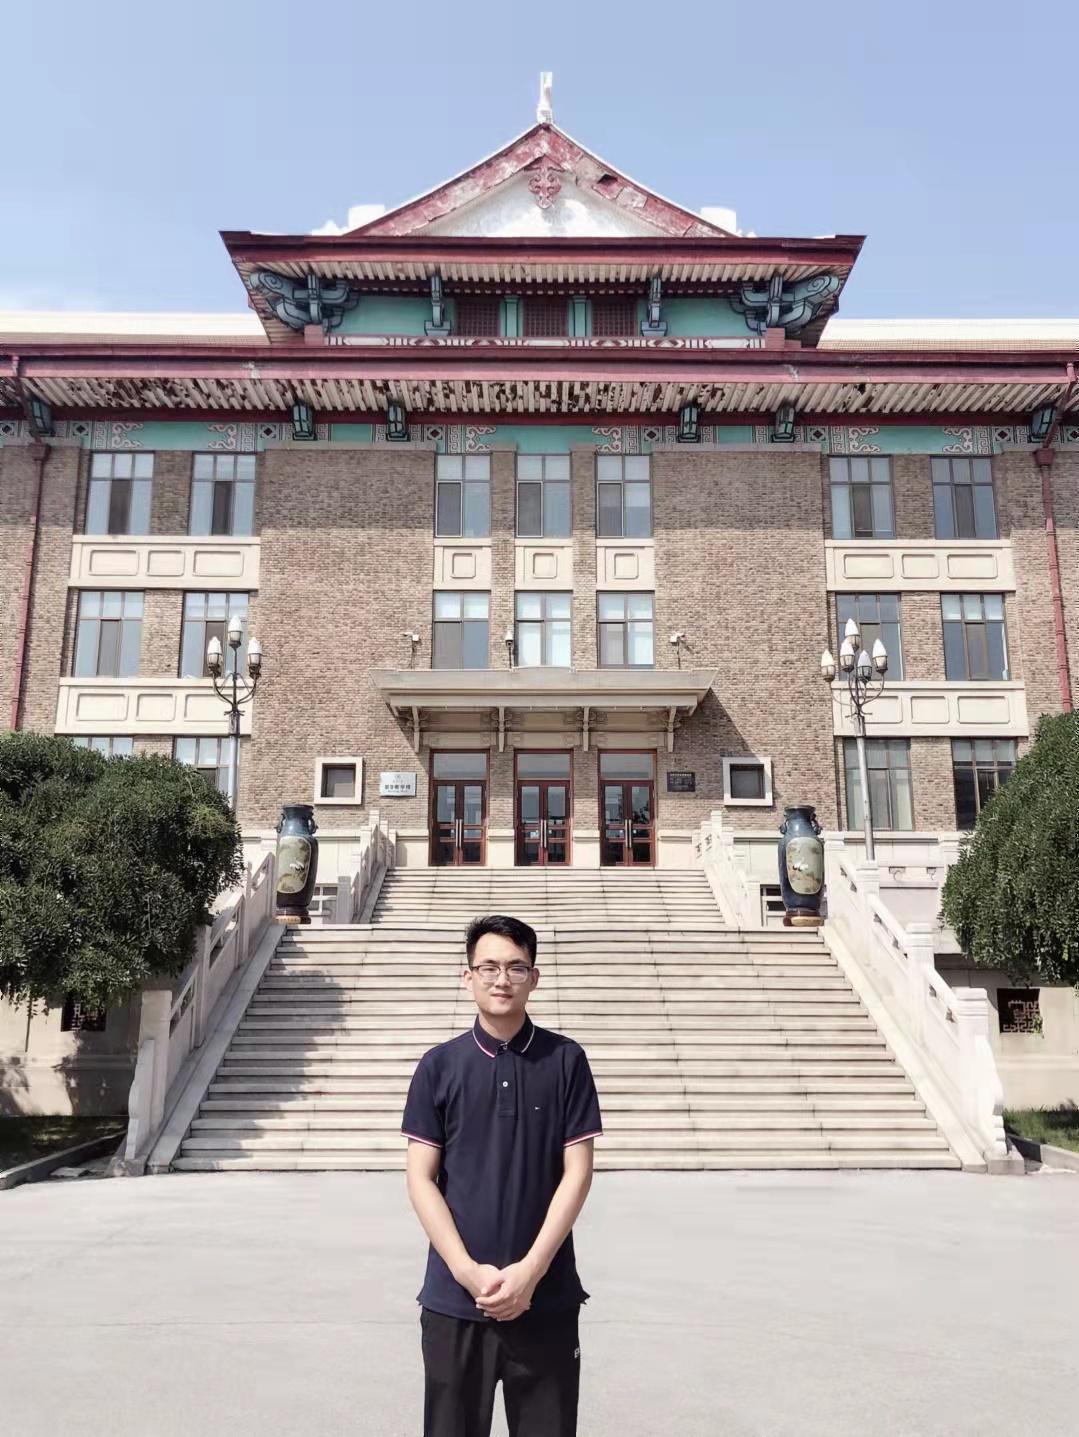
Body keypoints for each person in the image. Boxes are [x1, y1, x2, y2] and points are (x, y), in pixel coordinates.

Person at [401, 913, 602, 1437]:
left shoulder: (566, 1061)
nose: (501, 979)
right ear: (467, 976)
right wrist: (468, 1272)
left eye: (515, 967)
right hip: (455, 1300)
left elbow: (578, 1173)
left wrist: (530, 1272)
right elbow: (420, 1179)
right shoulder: (438, 1066)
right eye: (488, 967)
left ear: (534, 977)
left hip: (546, 1297)